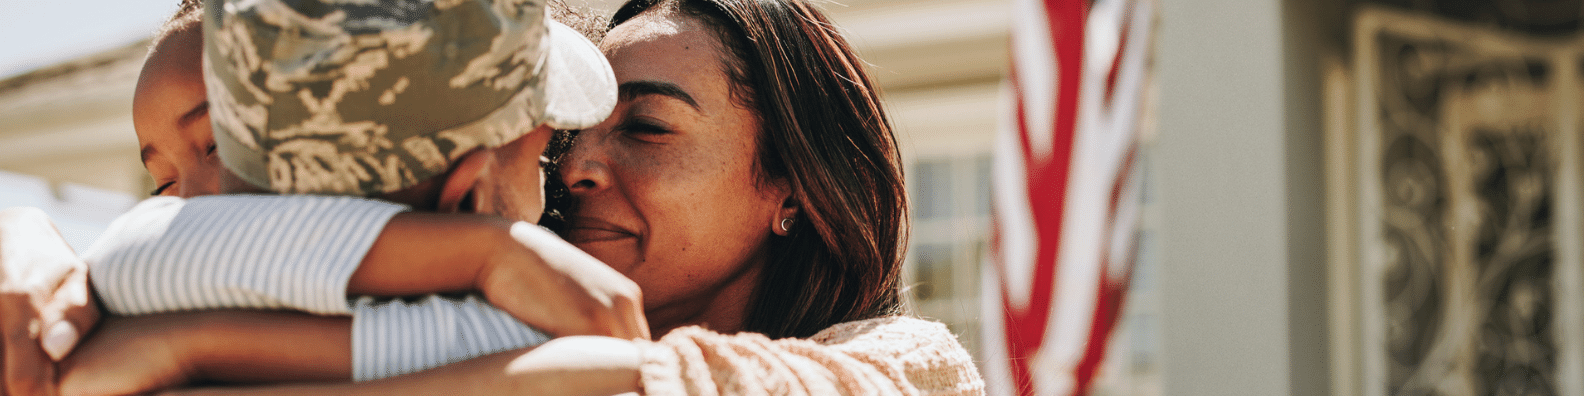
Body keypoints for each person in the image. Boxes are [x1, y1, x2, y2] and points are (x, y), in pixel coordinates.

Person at [56, 0, 984, 394]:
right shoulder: (461, 306)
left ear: (796, 187)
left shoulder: (904, 366)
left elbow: (631, 386)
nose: (573, 169)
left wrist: (183, 350)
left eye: (649, 128)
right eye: (565, 141)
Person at [2, 0, 651, 394]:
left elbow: (149, 249)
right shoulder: (536, 340)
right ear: (468, 199)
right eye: (540, 159)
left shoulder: (125, 277)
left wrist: (189, 344)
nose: (566, 176)